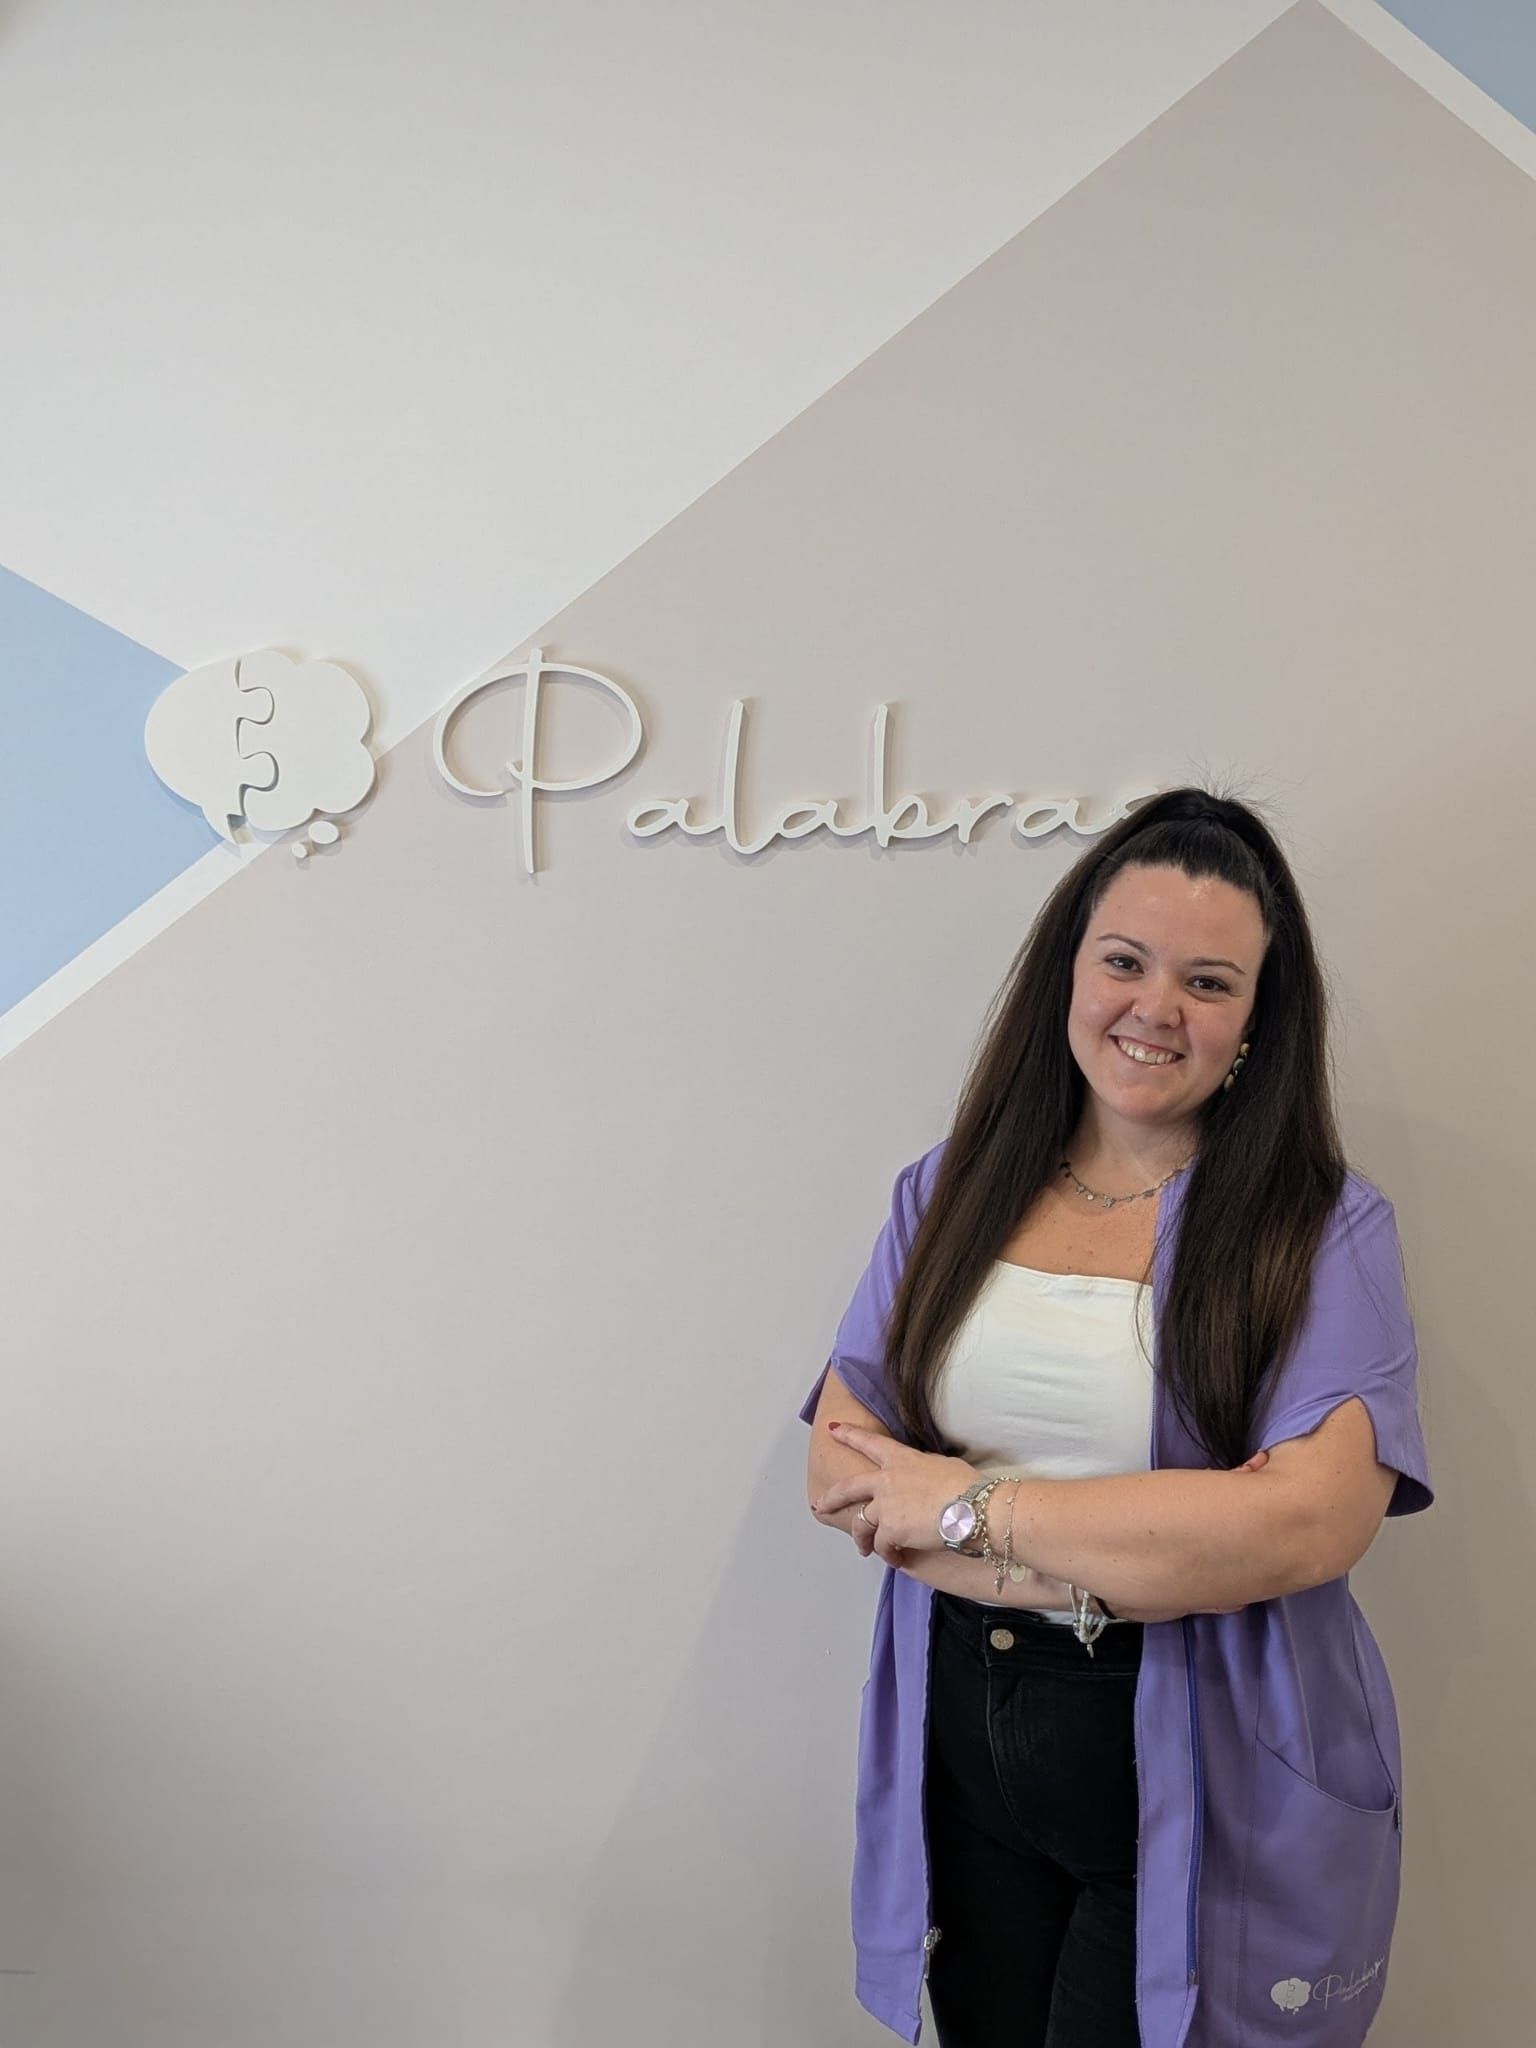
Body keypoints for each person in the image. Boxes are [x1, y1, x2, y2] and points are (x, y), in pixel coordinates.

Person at [801, 788, 1433, 2048]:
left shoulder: (1320, 1226)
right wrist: (1145, 1556)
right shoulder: (950, 1187)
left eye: (1209, 981)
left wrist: (965, 1505)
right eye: (1126, 961)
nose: (1156, 1008)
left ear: (1257, 1020)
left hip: (1206, 1764)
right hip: (966, 1743)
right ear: (1069, 970)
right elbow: (843, 1465)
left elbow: (1306, 1526)